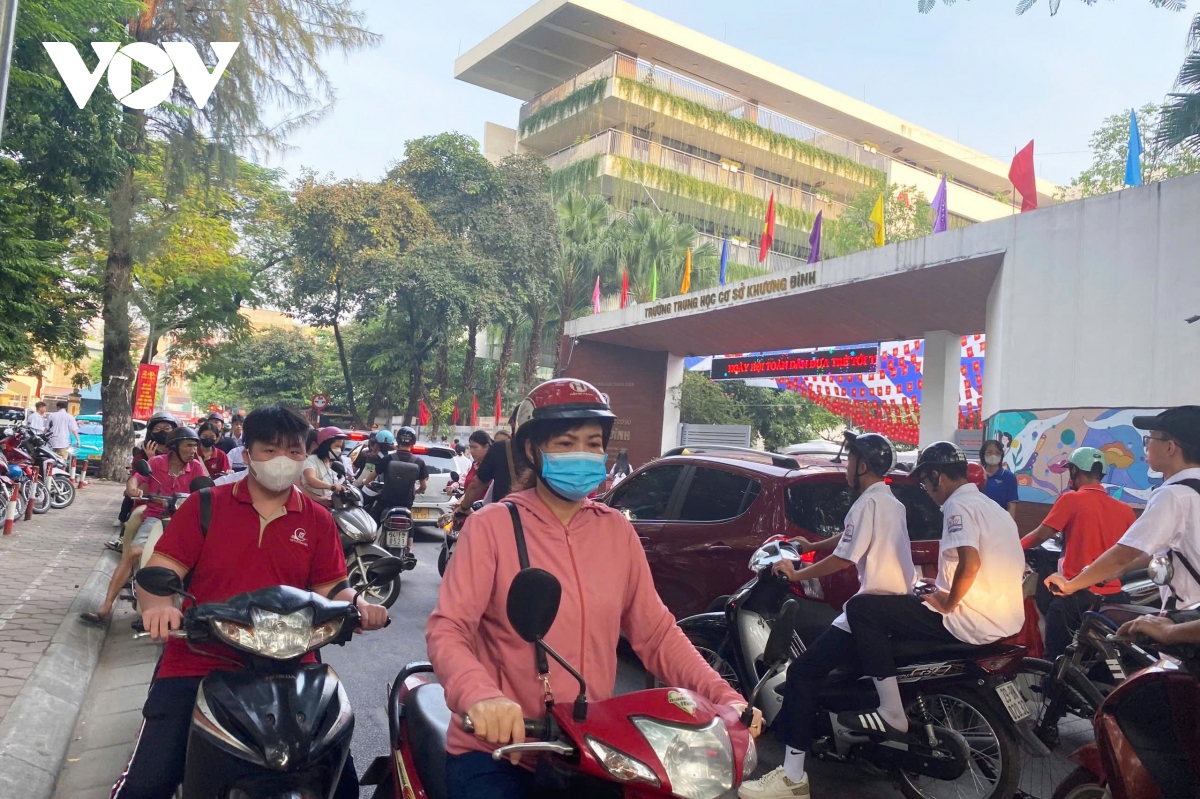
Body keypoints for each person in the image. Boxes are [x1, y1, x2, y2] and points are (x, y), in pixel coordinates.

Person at [426, 379, 760, 799]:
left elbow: (657, 633)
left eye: (593, 443)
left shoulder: (616, 530)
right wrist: (480, 696)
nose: (582, 454)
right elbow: (449, 630)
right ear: (532, 449)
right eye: (566, 443)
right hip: (500, 750)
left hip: (587, 746)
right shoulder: (490, 527)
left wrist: (724, 697)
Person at [109, 405, 388, 799]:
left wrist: (360, 604)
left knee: (339, 784)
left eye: (294, 452)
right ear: (248, 452)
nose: (282, 460)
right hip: (200, 657)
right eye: (270, 450)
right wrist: (158, 606)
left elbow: (333, 588)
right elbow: (161, 570)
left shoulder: (318, 519)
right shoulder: (206, 505)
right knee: (148, 783)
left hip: (292, 662)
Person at [741, 432, 915, 799]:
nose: (846, 466)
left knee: (803, 672)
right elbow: (849, 538)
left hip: (869, 609)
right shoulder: (888, 501)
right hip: (895, 606)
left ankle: (792, 777)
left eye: (850, 459)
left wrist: (796, 574)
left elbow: (844, 558)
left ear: (862, 465)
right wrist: (811, 546)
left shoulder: (867, 503)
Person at [843, 441, 1025, 741]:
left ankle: (891, 711)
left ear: (936, 476)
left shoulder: (957, 506)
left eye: (925, 482)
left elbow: (970, 564)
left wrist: (948, 602)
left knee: (862, 609)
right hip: (1005, 618)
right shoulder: (994, 508)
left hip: (969, 621)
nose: (926, 490)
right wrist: (939, 587)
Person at [1047, 406, 1200, 611]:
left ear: (1170, 448)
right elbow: (1156, 548)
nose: (1146, 446)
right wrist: (1118, 571)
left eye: (1150, 439)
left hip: (1187, 616)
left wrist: (1070, 585)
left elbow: (1123, 554)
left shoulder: (1172, 495)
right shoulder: (1191, 492)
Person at [82, 426, 208, 625]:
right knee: (133, 552)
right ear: (175, 446)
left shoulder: (196, 467)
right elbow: (136, 479)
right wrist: (132, 489)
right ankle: (106, 605)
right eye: (188, 445)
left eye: (195, 446)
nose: (193, 450)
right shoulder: (156, 462)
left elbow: (205, 491)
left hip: (183, 521)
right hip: (156, 517)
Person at [1020, 447, 1135, 658]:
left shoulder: (1070, 500)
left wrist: (1015, 548)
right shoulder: (1125, 509)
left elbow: (1040, 536)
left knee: (1056, 658)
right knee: (1102, 661)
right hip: (1113, 599)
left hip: (1075, 594)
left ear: (1075, 471)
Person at [453, 426, 525, 526]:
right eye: (470, 447)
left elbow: (476, 486)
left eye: (475, 447)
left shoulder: (496, 462)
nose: (472, 451)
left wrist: (464, 507)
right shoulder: (474, 465)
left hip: (499, 517)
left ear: (487, 447)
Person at [367, 426, 427, 520]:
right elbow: (423, 486)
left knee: (371, 520)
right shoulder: (419, 462)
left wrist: (365, 482)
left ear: (397, 440)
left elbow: (374, 474)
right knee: (409, 522)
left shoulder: (388, 459)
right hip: (406, 502)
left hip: (386, 501)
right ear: (413, 442)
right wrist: (416, 491)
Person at [302, 427, 351, 506]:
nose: (339, 450)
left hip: (328, 505)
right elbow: (310, 480)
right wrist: (331, 487)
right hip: (312, 505)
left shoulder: (330, 463)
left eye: (340, 447)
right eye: (337, 446)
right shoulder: (312, 460)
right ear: (326, 446)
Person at [980, 439, 1018, 520]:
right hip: (978, 520)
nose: (993, 455)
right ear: (983, 454)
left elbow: (1011, 506)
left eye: (997, 453)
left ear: (1001, 455)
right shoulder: (978, 474)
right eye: (989, 452)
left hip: (999, 521)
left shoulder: (1009, 477)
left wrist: (1009, 525)